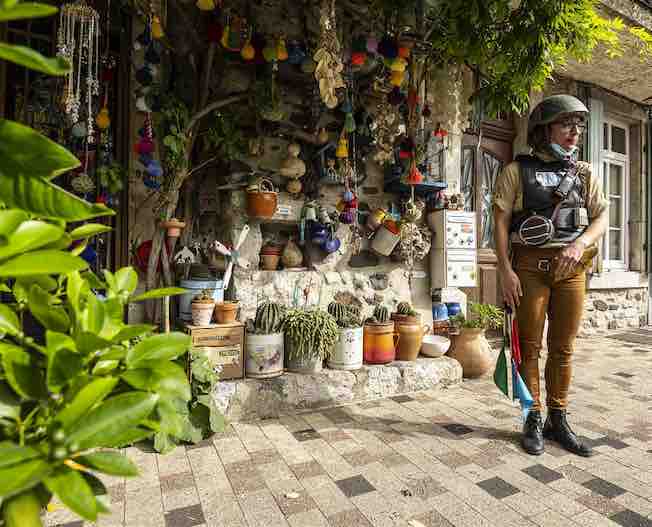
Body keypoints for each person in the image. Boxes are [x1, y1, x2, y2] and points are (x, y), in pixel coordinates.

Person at [492, 94, 609, 457]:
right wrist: (505, 270)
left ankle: (558, 418)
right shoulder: (515, 171)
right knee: (529, 347)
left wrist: (580, 244)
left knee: (563, 348)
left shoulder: (586, 172)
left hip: (571, 269)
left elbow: (601, 217)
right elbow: (499, 222)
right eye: (565, 124)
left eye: (578, 125)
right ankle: (532, 417)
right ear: (544, 130)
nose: (574, 132)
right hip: (529, 268)